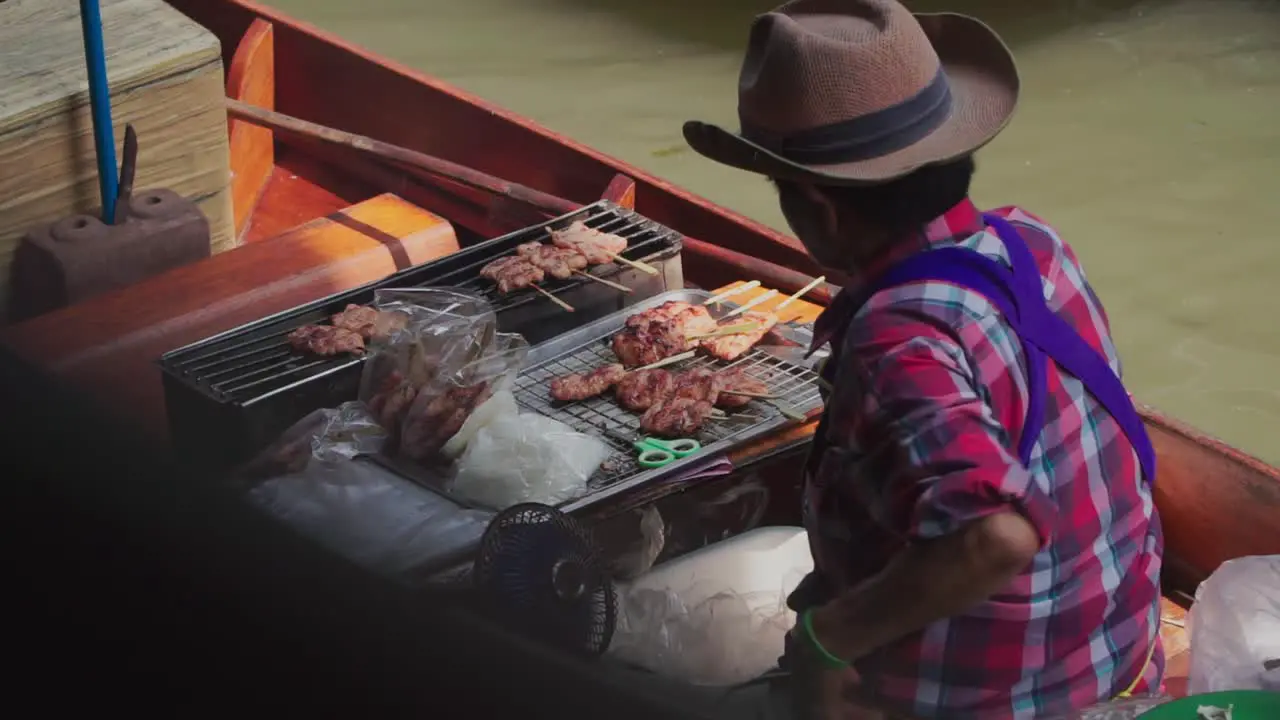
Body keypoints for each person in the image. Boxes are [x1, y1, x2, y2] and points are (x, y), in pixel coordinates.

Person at [682, 1, 1164, 718]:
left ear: (821, 204)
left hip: (1000, 700)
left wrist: (830, 637)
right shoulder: (1032, 243)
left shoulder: (895, 335)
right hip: (1116, 654)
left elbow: (996, 532)